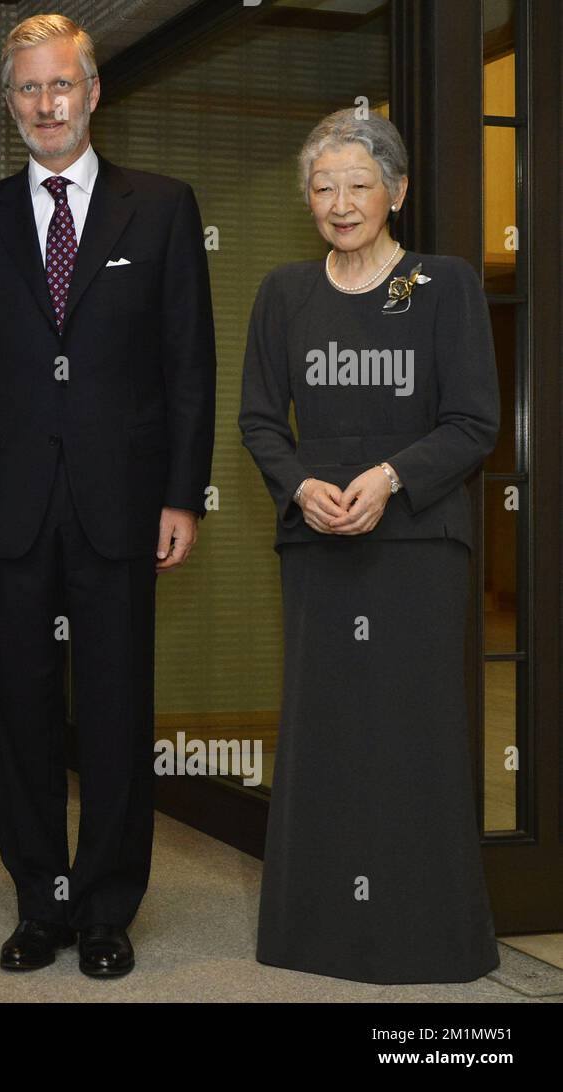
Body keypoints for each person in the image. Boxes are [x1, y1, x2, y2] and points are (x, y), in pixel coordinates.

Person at [0, 13, 216, 977]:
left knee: (118, 709)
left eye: (61, 86)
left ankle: (106, 911)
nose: (45, 105)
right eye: (27, 90)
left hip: (123, 501)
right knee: (23, 709)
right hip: (7, 503)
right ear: (8, 103)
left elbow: (188, 366)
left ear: (94, 93)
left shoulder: (165, 206)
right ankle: (40, 906)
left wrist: (183, 494)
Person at [238, 108, 500, 983]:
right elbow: (259, 420)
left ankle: (429, 939)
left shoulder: (441, 285)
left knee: (411, 736)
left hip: (417, 547)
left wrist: (387, 478)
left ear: (396, 191)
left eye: (359, 185)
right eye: (323, 187)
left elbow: (473, 423)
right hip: (318, 547)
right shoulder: (283, 293)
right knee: (327, 739)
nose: (341, 203)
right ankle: (316, 937)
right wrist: (300, 485)